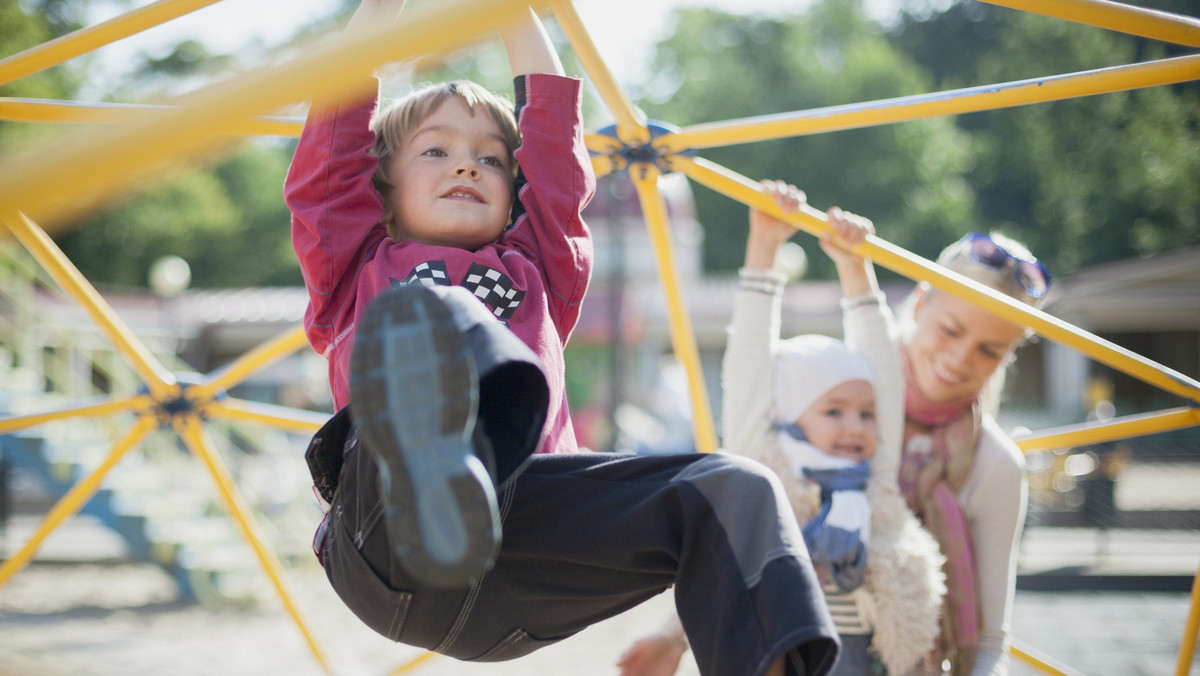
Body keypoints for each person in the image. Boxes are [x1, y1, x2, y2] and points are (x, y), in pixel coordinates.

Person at [284, 2, 839, 674]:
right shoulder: (355, 265)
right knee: (435, 310)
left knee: (735, 488)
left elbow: (551, 143)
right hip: (390, 543)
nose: (467, 167)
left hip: (525, 559)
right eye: (436, 150)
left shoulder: (539, 269)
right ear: (382, 187)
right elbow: (332, 139)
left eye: (491, 159)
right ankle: (438, 473)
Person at [618, 183, 944, 676]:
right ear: (787, 415)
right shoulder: (768, 478)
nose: (855, 426)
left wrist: (856, 270)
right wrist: (764, 246)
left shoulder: (871, 478)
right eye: (833, 411)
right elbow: (748, 364)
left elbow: (885, 374)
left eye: (865, 413)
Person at [895, 230, 1051, 675]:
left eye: (989, 350)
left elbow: (988, 642)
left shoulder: (996, 464)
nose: (960, 359)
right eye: (950, 329)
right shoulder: (838, 400)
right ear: (921, 304)